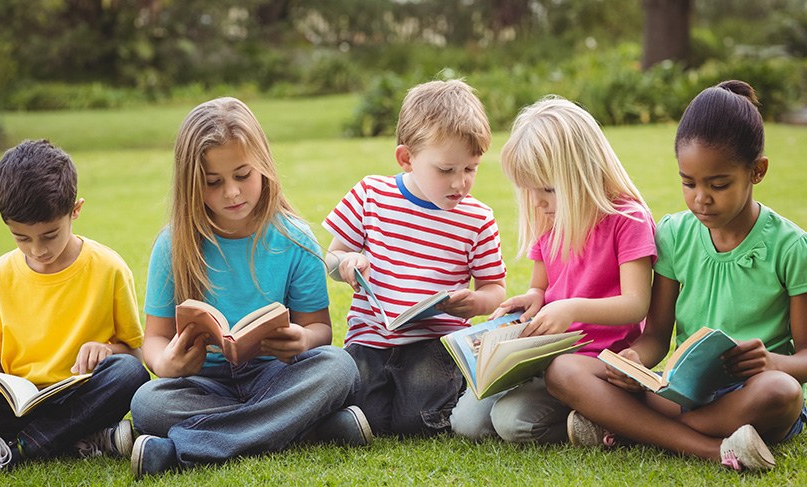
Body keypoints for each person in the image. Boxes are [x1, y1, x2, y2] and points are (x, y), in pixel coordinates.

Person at [546, 80, 807, 471]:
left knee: (784, 393)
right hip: (682, 392)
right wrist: (634, 361)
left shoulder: (791, 246)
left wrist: (773, 362)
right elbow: (655, 335)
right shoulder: (674, 233)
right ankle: (710, 448)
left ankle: (635, 430)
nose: (701, 198)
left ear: (757, 171)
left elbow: (804, 357)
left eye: (718, 185)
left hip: (751, 391)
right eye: (688, 182)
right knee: (563, 370)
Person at [129, 97, 368, 478]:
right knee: (147, 403)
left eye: (243, 175)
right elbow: (155, 338)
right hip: (205, 385)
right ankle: (309, 428)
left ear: (264, 166)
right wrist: (165, 363)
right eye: (213, 183)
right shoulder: (174, 244)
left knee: (339, 367)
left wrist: (304, 342)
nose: (233, 193)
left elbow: (320, 329)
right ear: (192, 184)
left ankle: (184, 449)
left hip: (275, 377)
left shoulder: (295, 238)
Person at [450, 96, 657, 444]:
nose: (537, 202)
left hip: (595, 365)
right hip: (544, 357)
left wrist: (571, 308)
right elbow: (540, 289)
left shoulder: (627, 219)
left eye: (547, 189)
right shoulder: (550, 220)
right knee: (467, 423)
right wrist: (530, 300)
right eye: (529, 190)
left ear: (584, 173)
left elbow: (636, 304)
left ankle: (606, 422)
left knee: (514, 423)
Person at [0, 140, 150, 473]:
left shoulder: (109, 268)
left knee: (129, 374)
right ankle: (89, 439)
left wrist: (107, 349)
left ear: (75, 210)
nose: (38, 250)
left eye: (50, 235)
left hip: (82, 397)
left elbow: (135, 358)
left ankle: (16, 450)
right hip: (20, 405)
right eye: (21, 238)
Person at [323, 79, 507, 437]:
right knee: (368, 419)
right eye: (446, 170)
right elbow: (332, 256)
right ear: (406, 158)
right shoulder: (370, 195)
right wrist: (345, 264)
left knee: (418, 422)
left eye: (470, 169)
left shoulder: (477, 218)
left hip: (434, 342)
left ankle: (451, 391)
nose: (460, 183)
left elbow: (495, 289)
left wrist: (474, 302)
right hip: (370, 337)